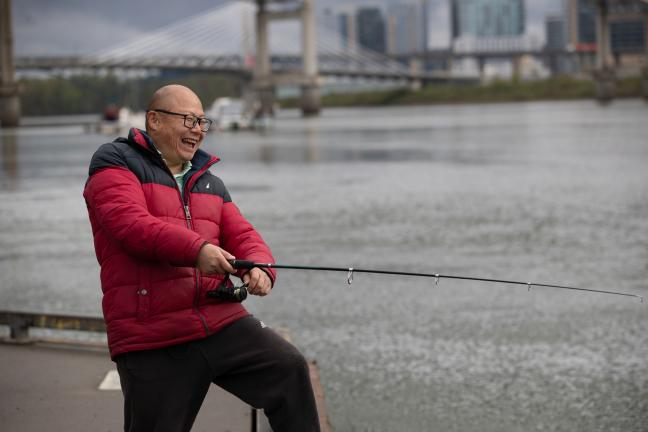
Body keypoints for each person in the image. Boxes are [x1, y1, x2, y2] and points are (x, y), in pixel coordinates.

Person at [83, 84, 320, 432]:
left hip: (219, 320)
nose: (198, 129)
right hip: (153, 331)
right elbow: (131, 226)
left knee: (288, 367)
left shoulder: (207, 180)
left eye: (202, 121)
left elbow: (243, 234)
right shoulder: (114, 162)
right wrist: (197, 251)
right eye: (188, 119)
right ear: (155, 120)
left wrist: (261, 267)